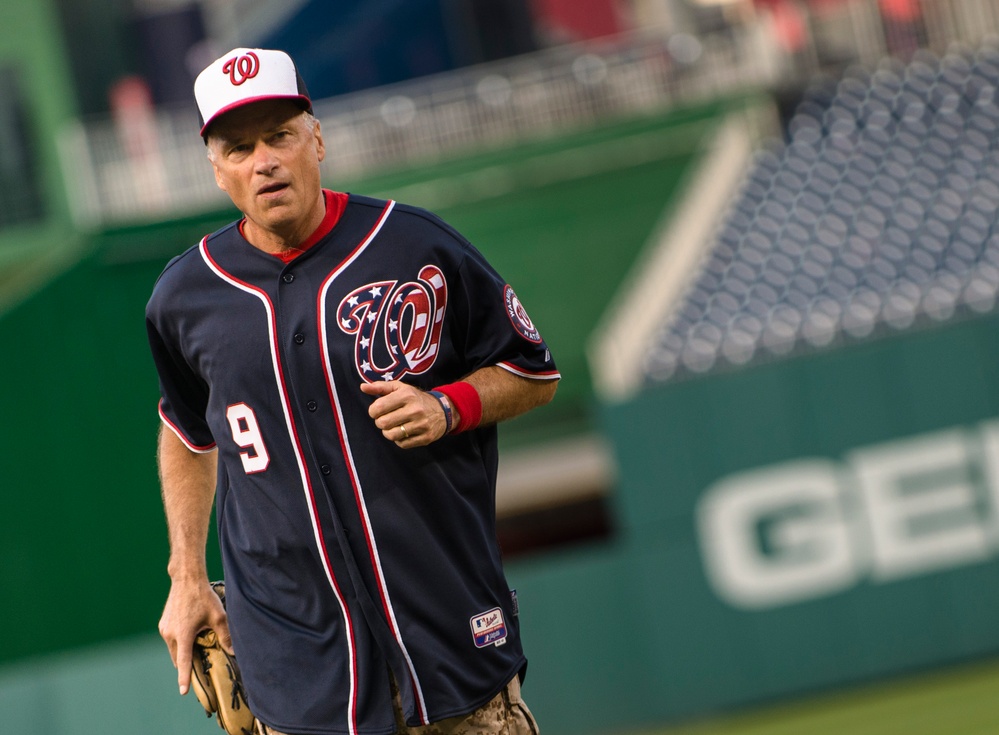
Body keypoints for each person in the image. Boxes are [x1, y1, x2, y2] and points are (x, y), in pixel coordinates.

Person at [146, 47, 559, 735]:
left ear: (318, 139)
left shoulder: (412, 245)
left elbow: (533, 371)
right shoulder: (185, 296)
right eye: (239, 147)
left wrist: (447, 404)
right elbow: (189, 431)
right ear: (217, 170)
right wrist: (184, 573)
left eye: (279, 135)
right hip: (300, 671)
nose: (264, 161)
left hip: (446, 637)